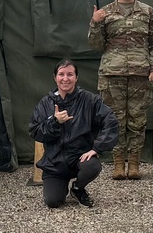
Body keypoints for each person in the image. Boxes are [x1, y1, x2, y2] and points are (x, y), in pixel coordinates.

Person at [87, 0, 153, 180]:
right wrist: (95, 23)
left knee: (137, 120)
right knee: (115, 119)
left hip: (140, 75)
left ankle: (135, 163)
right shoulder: (105, 12)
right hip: (112, 75)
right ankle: (119, 163)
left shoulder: (148, 13)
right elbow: (96, 44)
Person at [29, 59, 118, 208]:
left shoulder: (89, 100)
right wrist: (54, 122)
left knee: (92, 166)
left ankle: (78, 188)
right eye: (61, 74)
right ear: (55, 77)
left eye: (70, 74)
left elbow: (111, 122)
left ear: (76, 78)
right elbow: (35, 131)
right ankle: (61, 187)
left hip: (79, 157)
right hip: (55, 162)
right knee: (53, 202)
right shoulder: (45, 103)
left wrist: (97, 148)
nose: (65, 79)